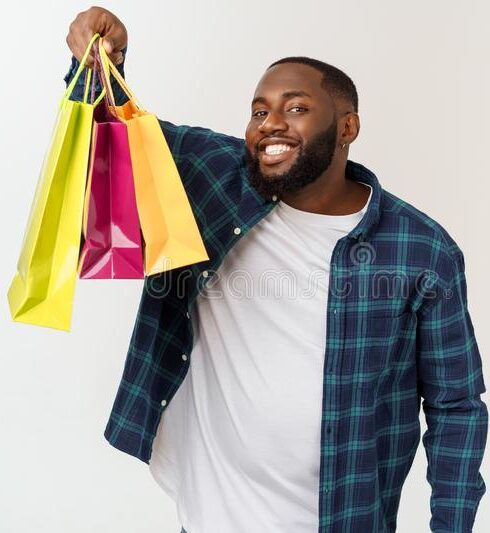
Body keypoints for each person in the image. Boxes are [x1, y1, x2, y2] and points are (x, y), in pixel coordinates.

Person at [65, 7, 488, 533]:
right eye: (259, 111)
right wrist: (104, 61)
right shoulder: (214, 177)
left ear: (347, 127)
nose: (271, 125)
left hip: (345, 518)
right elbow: (110, 144)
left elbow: (455, 406)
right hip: (209, 516)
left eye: (296, 107)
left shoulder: (421, 250)